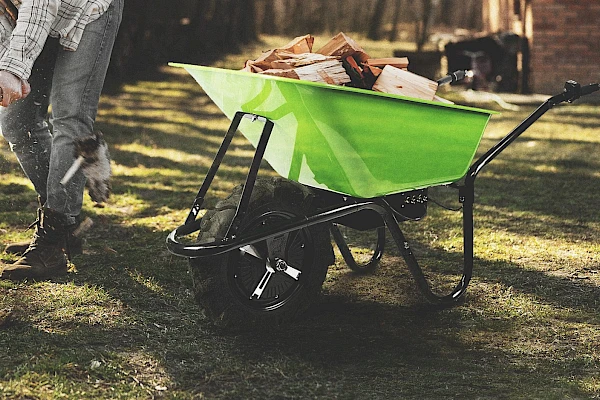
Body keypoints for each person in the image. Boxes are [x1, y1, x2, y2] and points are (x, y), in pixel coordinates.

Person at [0, 0, 123, 280]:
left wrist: (14, 68)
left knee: (71, 117)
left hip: (88, 9)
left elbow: (40, 5)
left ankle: (52, 241)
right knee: (17, 122)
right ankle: (65, 223)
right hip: (38, 14)